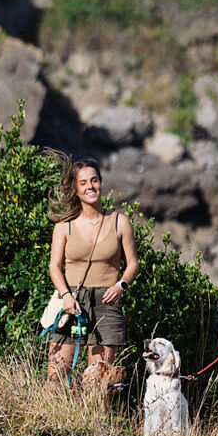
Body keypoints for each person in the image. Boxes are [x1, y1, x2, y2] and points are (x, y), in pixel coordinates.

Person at [46, 155, 139, 393]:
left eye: (94, 180)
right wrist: (65, 295)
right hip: (71, 302)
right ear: (75, 189)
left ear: (101, 182)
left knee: (98, 383)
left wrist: (121, 286)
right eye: (84, 182)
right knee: (56, 378)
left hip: (107, 302)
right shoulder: (63, 226)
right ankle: (54, 425)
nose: (91, 186)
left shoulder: (120, 222)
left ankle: (95, 427)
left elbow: (133, 265)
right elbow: (54, 266)